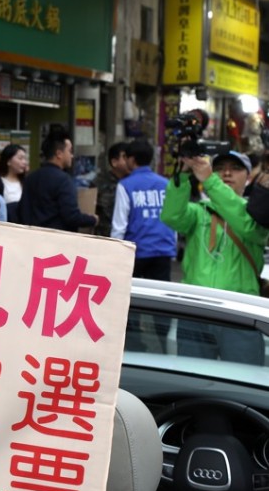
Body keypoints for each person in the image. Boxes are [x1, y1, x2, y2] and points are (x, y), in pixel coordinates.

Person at [160, 150, 268, 363]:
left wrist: (210, 180)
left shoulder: (258, 214)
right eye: (219, 169)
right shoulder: (199, 212)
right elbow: (172, 216)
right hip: (196, 310)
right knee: (193, 382)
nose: (226, 173)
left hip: (240, 313)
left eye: (235, 169)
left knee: (241, 383)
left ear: (247, 177)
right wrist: (182, 176)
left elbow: (248, 227)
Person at [112, 139, 176, 353]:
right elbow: (173, 218)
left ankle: (134, 346)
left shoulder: (125, 185)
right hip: (162, 250)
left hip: (136, 252)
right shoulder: (165, 184)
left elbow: (119, 224)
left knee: (132, 301)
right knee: (162, 304)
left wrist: (116, 254)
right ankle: (165, 347)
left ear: (130, 159)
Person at [19, 129, 98, 232]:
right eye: (70, 151)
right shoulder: (64, 180)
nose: (72, 156)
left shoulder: (31, 178)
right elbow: (72, 216)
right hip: (57, 242)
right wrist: (93, 219)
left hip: (31, 238)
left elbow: (22, 211)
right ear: (59, 154)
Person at [94, 141, 129, 236]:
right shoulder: (101, 182)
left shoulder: (133, 182)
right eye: (125, 157)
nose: (129, 161)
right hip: (105, 236)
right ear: (114, 162)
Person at [0, 144, 28, 223]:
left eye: (25, 159)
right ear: (8, 161)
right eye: (20, 158)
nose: (24, 162)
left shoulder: (26, 182)